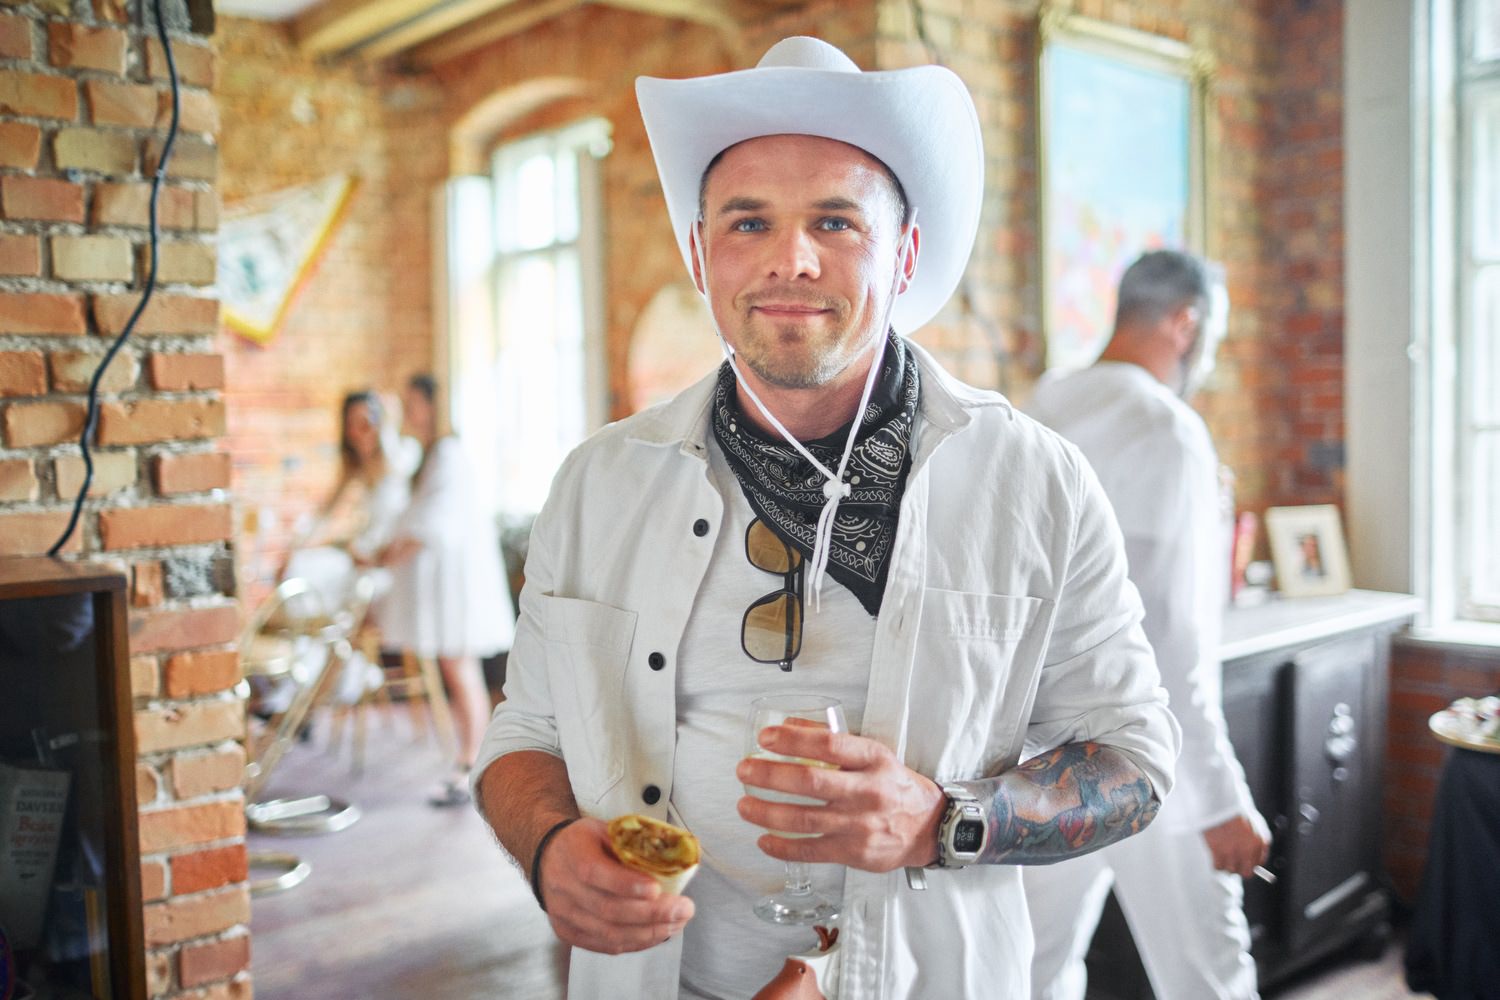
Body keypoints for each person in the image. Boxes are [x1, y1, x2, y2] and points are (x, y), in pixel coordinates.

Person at [472, 37, 1181, 999]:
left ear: (906, 254)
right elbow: (525, 733)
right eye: (749, 222)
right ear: (699, 253)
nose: (791, 261)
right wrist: (549, 846)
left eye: (836, 222)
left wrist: (942, 820)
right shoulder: (599, 483)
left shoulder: (1033, 482)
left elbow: (1136, 762)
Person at [1024, 250, 1271, 1000]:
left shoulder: (1040, 406)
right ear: (1184, 323)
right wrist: (1221, 797)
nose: (1209, 360)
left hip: (1038, 754)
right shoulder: (1169, 428)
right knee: (1209, 976)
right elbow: (1168, 637)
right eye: (1213, 338)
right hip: (1141, 755)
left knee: (1032, 969)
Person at [380, 373, 515, 807]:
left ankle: (472, 761)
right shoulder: (428, 453)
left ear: (430, 404)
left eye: (412, 403)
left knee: (461, 669)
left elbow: (435, 521)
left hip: (456, 585)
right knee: (456, 668)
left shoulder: (448, 453)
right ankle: (470, 759)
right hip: (445, 582)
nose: (408, 411)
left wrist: (392, 553)